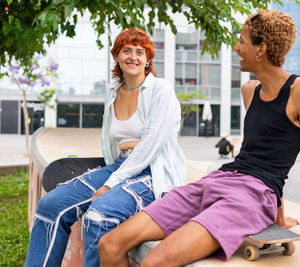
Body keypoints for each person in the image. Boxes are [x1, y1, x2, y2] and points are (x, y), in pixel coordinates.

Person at [98, 10, 300, 267]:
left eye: (242, 41)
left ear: (261, 49)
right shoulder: (249, 90)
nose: (236, 48)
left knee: (155, 261)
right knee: (109, 244)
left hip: (252, 195)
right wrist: (281, 217)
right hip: (219, 179)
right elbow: (262, 149)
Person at [24, 28, 185, 267]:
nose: (133, 57)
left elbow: (151, 145)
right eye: (127, 50)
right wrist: (108, 174)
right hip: (121, 166)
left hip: (154, 172)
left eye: (140, 52)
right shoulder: (113, 91)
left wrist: (111, 183)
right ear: (117, 56)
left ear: (148, 59)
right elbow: (110, 141)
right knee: (50, 205)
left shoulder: (160, 90)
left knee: (98, 216)